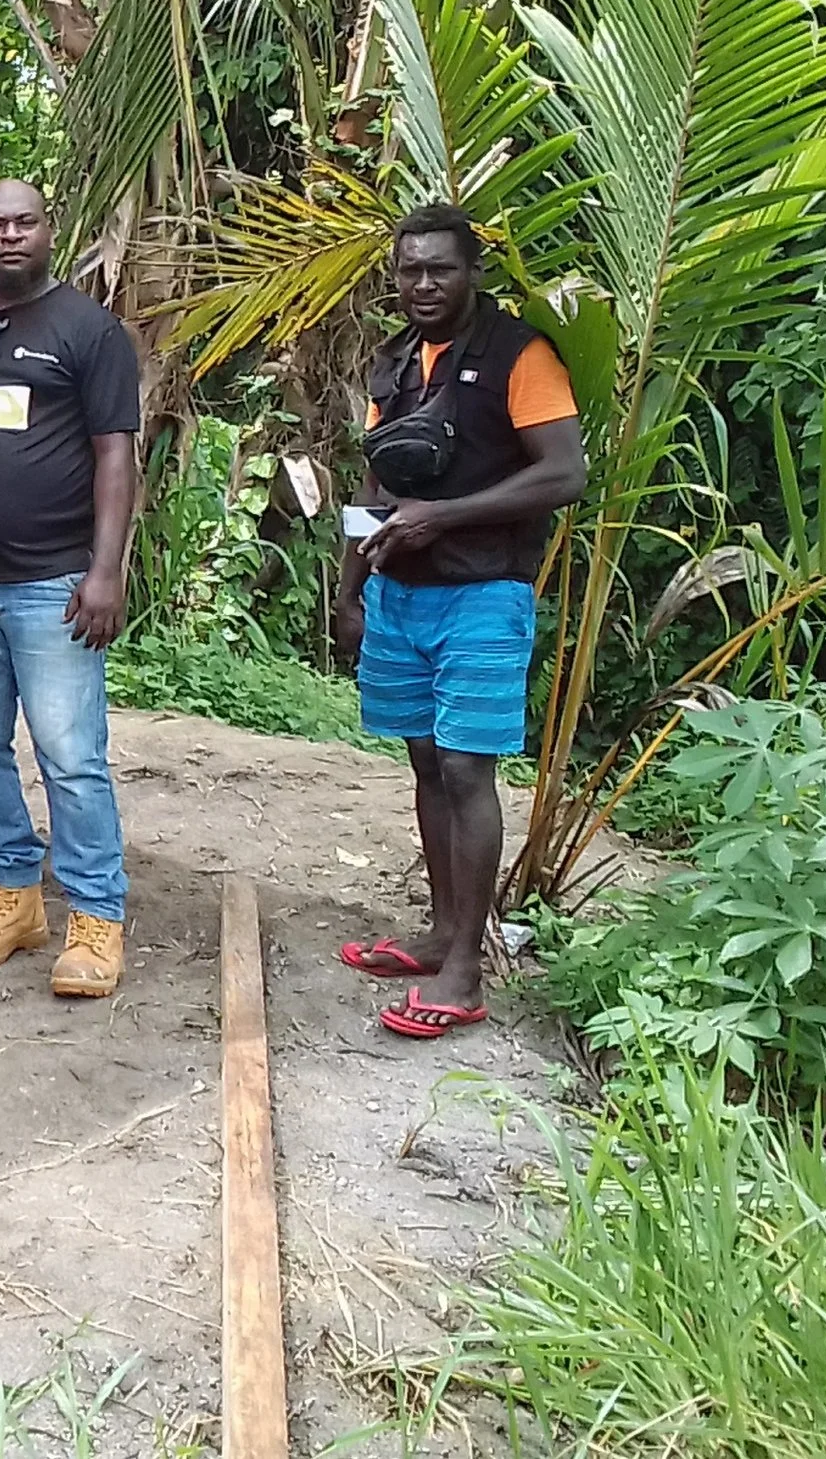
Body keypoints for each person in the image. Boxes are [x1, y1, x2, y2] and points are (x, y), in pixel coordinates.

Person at [333, 201, 586, 1040]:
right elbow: (376, 485)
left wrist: (445, 516)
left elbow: (564, 473)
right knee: (425, 762)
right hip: (401, 594)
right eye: (410, 269)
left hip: (485, 592)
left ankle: (466, 971)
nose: (424, 283)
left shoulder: (521, 354)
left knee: (466, 769)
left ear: (474, 271)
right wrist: (350, 589)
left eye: (440, 268)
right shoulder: (397, 360)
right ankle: (440, 934)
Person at [0, 180, 141, 998]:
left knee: (70, 758)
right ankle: (13, 896)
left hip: (54, 584)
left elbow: (116, 453)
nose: (10, 235)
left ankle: (96, 914)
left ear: (50, 231)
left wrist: (105, 569)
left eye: (25, 222)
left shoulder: (90, 330)